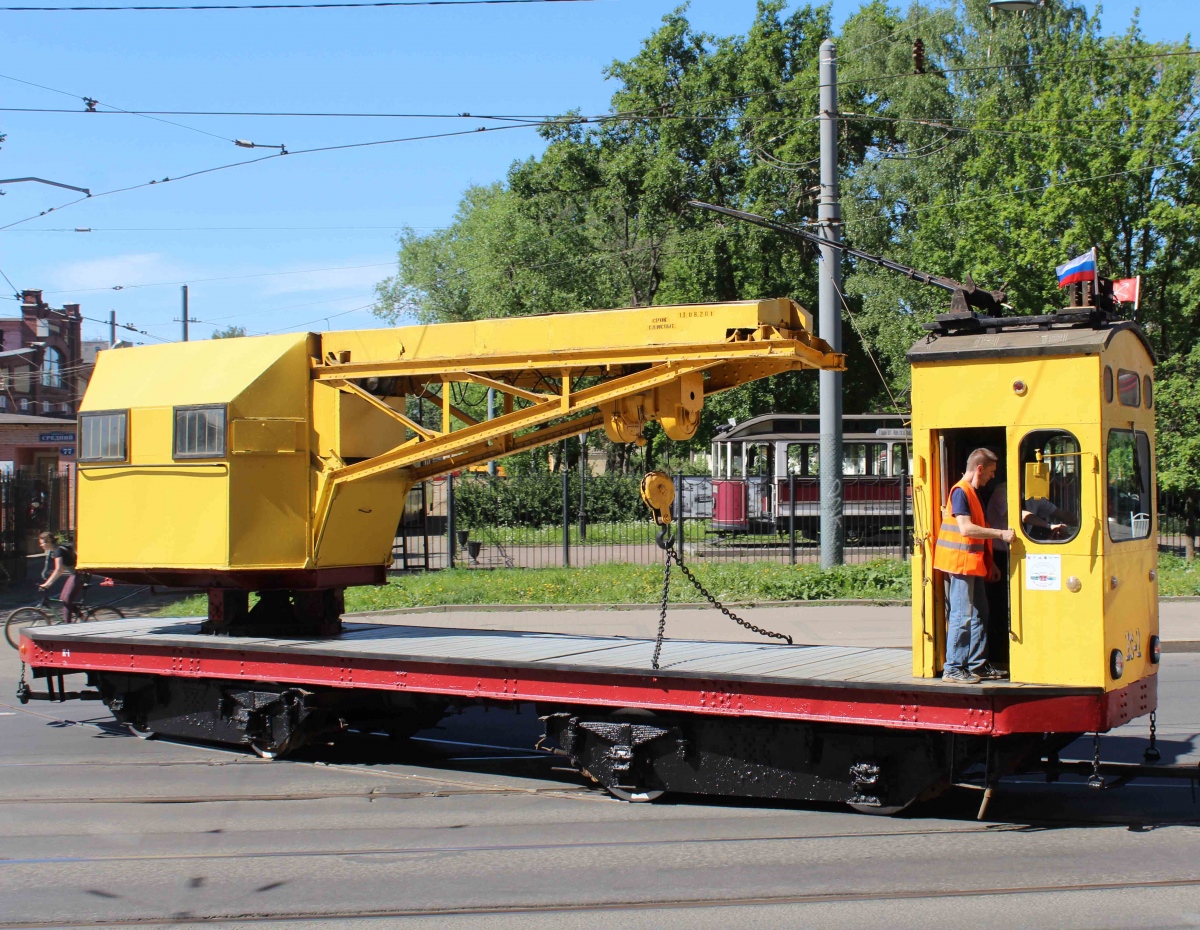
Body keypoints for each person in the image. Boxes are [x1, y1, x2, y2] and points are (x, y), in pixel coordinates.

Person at [933, 449, 1016, 683]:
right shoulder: (961, 492)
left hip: (972, 563)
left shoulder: (972, 493)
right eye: (990, 472)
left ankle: (976, 664)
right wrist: (1001, 533)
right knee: (962, 615)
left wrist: (990, 563)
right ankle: (954, 668)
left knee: (980, 612)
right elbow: (966, 529)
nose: (992, 477)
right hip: (960, 564)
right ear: (979, 469)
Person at [37, 532, 78, 623]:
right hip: (75, 574)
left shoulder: (58, 551)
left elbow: (59, 570)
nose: (41, 545)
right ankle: (80, 615)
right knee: (63, 598)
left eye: (42, 543)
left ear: (48, 542)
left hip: (80, 575)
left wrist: (48, 584)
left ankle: (67, 626)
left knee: (67, 599)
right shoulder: (57, 549)